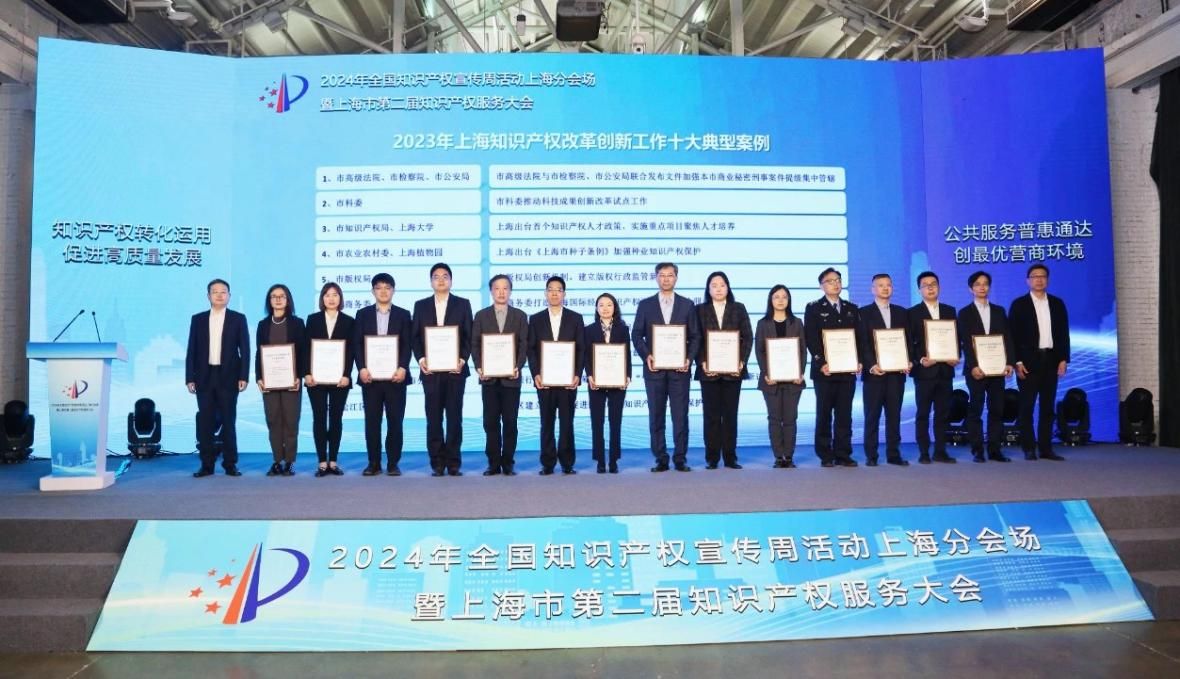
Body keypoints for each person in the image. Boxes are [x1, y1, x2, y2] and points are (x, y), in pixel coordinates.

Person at [631, 262, 701, 472]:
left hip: (680, 371)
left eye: (670, 275)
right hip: (655, 371)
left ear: (676, 278)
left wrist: (688, 358)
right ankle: (661, 458)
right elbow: (636, 334)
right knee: (656, 416)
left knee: (680, 416)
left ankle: (680, 458)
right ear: (656, 278)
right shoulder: (645, 305)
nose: (666, 279)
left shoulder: (687, 305)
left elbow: (695, 336)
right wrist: (647, 356)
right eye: (662, 275)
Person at [412, 263, 473, 476]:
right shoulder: (421, 306)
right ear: (431, 281)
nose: (440, 280)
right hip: (431, 372)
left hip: (456, 371)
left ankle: (454, 463)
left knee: (455, 418)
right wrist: (421, 359)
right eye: (436, 277)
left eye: (445, 276)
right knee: (434, 419)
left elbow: (469, 336)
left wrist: (462, 359)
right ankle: (437, 463)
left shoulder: (463, 304)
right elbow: (415, 337)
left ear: (451, 281)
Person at [185, 278, 249, 477]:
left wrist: (244, 375)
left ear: (229, 296)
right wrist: (189, 377)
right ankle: (207, 464)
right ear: (208, 296)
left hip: (229, 376)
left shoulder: (238, 319)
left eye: (223, 292)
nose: (219, 295)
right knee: (205, 422)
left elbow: (245, 349)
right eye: (215, 292)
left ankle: (230, 464)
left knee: (229, 421)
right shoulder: (198, 319)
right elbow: (191, 349)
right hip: (204, 376)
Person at [1008, 263, 1071, 461]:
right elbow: (1012, 336)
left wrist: (1064, 359)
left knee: (1047, 407)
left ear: (1047, 280)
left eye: (1042, 276)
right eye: (1034, 276)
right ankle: (1028, 448)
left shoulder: (1057, 304)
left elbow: (1064, 333)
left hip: (1051, 360)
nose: (1039, 279)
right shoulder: (1019, 305)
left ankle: (1046, 448)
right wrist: (1016, 362)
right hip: (1027, 363)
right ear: (1028, 281)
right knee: (1026, 407)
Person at [354, 273, 413, 476]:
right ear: (373, 291)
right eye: (379, 288)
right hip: (370, 378)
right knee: (372, 422)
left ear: (393, 291)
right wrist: (361, 368)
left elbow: (407, 344)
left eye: (387, 287)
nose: (383, 291)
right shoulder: (362, 314)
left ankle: (393, 463)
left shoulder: (403, 314)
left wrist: (403, 367)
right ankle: (373, 462)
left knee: (395, 422)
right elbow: (357, 343)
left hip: (396, 378)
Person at [471, 274, 528, 476]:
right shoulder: (481, 316)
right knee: (490, 422)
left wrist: (518, 366)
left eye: (505, 288)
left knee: (510, 422)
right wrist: (479, 367)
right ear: (491, 291)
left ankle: (508, 462)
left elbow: (524, 344)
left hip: (511, 379)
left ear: (510, 291)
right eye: (497, 288)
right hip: (489, 380)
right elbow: (475, 344)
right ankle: (493, 463)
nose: (501, 292)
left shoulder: (520, 316)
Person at [694, 271, 753, 469]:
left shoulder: (738, 308)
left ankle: (730, 457)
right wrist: (702, 361)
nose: (718, 289)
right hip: (708, 371)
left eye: (722, 285)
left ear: (728, 287)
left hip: (733, 372)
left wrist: (741, 361)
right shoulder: (699, 310)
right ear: (708, 289)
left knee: (730, 415)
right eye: (714, 285)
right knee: (711, 416)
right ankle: (712, 457)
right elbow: (695, 338)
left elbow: (748, 337)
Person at [527, 276, 585, 475]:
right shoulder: (535, 319)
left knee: (567, 423)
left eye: (558, 290)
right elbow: (531, 349)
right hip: (545, 380)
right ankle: (548, 463)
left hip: (568, 381)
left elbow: (581, 349)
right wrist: (536, 373)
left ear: (564, 294)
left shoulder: (575, 318)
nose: (554, 293)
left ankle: (567, 463)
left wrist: (577, 374)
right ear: (545, 293)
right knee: (547, 422)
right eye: (550, 289)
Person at [804, 267, 861, 468]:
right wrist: (821, 363)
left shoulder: (851, 308)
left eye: (838, 280)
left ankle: (843, 453)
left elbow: (859, 338)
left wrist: (859, 360)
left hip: (847, 371)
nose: (835, 284)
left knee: (845, 414)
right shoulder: (813, 308)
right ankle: (825, 454)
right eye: (830, 281)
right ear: (822, 286)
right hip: (824, 372)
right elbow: (811, 338)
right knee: (824, 413)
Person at [958, 270, 1015, 463]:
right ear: (971, 289)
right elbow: (966, 342)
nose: (982, 287)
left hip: (997, 369)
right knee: (975, 409)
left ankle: (994, 449)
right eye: (977, 284)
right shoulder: (965, 313)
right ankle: (977, 450)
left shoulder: (999, 311)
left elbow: (1007, 338)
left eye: (985, 284)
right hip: (976, 371)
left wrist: (1009, 362)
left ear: (989, 287)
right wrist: (973, 366)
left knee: (997, 409)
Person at [857, 273, 911, 466]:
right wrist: (871, 365)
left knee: (894, 416)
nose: (885, 288)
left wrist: (908, 361)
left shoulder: (902, 313)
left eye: (888, 285)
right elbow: (862, 343)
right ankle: (871, 455)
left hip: (896, 374)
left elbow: (908, 341)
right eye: (880, 285)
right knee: (872, 416)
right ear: (873, 289)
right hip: (874, 374)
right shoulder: (863, 313)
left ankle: (894, 454)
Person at [908, 271, 959, 464]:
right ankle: (923, 452)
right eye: (925, 285)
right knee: (923, 413)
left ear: (939, 287)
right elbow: (908, 343)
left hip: (945, 370)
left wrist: (956, 355)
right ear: (919, 290)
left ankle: (940, 451)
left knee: (943, 413)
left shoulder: (950, 311)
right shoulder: (912, 313)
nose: (930, 288)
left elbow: (957, 338)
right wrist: (920, 359)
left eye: (934, 284)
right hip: (924, 372)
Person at [304, 282, 354, 477]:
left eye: (335, 294)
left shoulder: (348, 321)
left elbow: (350, 351)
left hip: (339, 379)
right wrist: (307, 373)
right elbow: (306, 348)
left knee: (335, 419)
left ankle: (333, 460)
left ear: (340, 298)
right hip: (316, 379)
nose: (331, 298)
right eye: (327, 295)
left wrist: (346, 375)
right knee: (319, 418)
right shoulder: (313, 319)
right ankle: (322, 462)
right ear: (322, 298)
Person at [254, 284, 305, 476]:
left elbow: (303, 352)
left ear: (288, 300)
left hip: (292, 381)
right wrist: (259, 377)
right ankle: (276, 460)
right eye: (273, 296)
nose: (277, 299)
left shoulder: (297, 323)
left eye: (281, 296)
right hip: (270, 381)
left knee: (291, 421)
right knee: (273, 420)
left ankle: (289, 461)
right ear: (269, 300)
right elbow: (259, 353)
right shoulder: (263, 324)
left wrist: (299, 376)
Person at [754, 285, 806, 468]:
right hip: (771, 381)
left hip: (793, 380)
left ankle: (789, 456)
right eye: (776, 297)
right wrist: (767, 373)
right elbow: (759, 351)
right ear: (771, 300)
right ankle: (778, 456)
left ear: (789, 300)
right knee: (775, 419)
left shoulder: (797, 322)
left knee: (790, 419)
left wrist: (800, 372)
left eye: (784, 296)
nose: (781, 300)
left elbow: (802, 350)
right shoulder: (763, 323)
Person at [585, 292, 631, 474]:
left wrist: (627, 375)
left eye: (609, 305)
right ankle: (600, 460)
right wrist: (589, 375)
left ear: (615, 308)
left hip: (617, 381)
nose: (605, 308)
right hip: (596, 382)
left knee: (615, 421)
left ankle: (613, 460)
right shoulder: (589, 330)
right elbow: (586, 356)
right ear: (596, 308)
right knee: (597, 422)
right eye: (601, 305)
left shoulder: (623, 329)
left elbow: (627, 354)